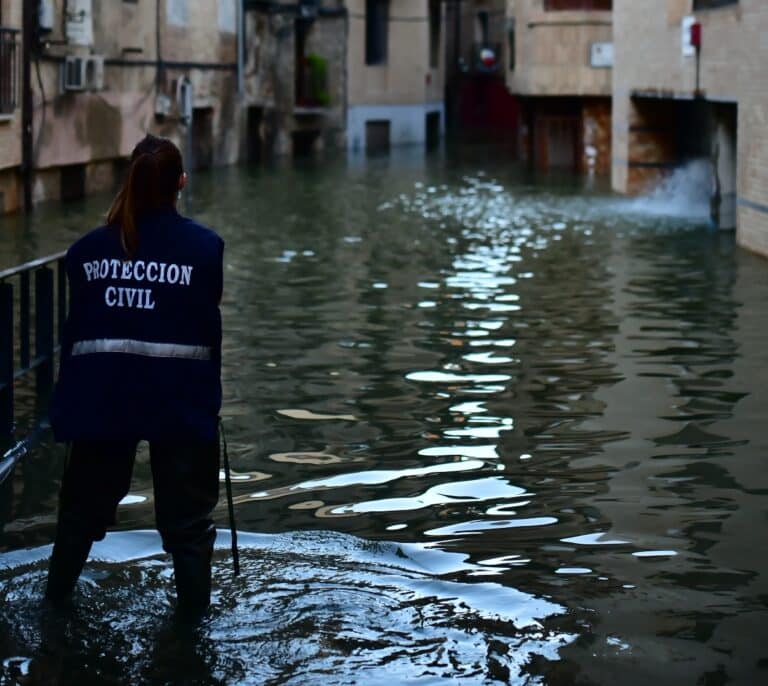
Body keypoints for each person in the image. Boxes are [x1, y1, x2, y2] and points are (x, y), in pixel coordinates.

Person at [45, 134, 225, 619]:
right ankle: (191, 633)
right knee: (187, 527)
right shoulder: (206, 249)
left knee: (80, 515)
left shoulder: (85, 253)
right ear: (180, 184)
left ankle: (53, 606)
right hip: (179, 402)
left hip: (103, 401)